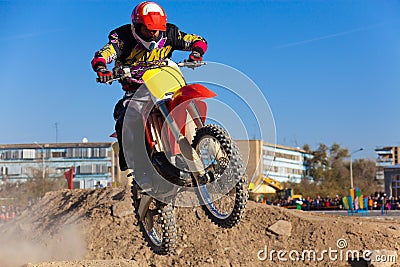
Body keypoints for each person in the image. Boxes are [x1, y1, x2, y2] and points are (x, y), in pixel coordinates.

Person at [91, 2, 207, 176]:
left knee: (187, 98)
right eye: (147, 29)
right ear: (136, 27)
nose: (153, 35)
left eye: (156, 30)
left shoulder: (170, 33)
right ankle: (140, 167)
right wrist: (102, 69)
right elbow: (103, 55)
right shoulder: (121, 39)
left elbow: (197, 40)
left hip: (166, 84)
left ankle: (206, 144)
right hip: (137, 90)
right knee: (127, 115)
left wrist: (196, 53)